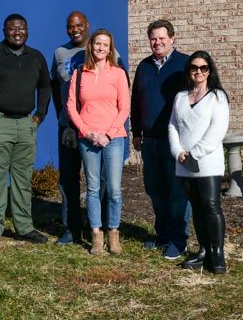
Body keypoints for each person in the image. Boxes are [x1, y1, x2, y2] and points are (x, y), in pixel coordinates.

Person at [49, 11, 125, 246]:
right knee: (69, 181)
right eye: (70, 26)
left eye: (79, 25)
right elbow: (56, 89)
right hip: (71, 128)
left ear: (88, 26)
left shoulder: (111, 57)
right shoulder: (60, 53)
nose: (75, 30)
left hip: (102, 130)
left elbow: (121, 95)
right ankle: (72, 229)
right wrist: (63, 118)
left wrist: (110, 130)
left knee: (103, 182)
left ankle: (102, 228)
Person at [0, 14, 52, 249]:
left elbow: (45, 86)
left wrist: (40, 115)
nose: (17, 33)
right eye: (12, 29)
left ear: (27, 30)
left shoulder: (36, 56)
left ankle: (24, 227)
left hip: (26, 125)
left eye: (21, 28)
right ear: (4, 31)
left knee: (23, 178)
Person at [65, 29, 130, 256]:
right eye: (97, 44)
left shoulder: (118, 74)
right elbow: (72, 107)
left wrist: (109, 135)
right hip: (88, 139)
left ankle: (113, 234)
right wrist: (86, 131)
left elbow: (125, 108)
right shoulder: (79, 73)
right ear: (91, 46)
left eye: (106, 45)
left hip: (113, 138)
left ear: (110, 49)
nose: (101, 48)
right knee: (92, 188)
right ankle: (96, 236)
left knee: (113, 189)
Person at [131, 19, 191, 260]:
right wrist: (136, 131)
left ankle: (179, 240)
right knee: (155, 191)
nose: (157, 42)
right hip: (150, 141)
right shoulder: (144, 66)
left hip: (174, 141)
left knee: (177, 193)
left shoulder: (184, 64)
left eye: (162, 38)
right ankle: (163, 235)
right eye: (153, 39)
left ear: (172, 39)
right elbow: (136, 100)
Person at [168, 51, 230, 274]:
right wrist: (178, 152)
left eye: (203, 68)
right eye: (194, 67)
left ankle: (218, 253)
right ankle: (203, 250)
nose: (198, 72)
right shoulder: (180, 97)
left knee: (211, 206)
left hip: (207, 163)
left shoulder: (218, 97)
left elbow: (217, 130)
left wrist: (195, 152)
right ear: (189, 70)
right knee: (196, 207)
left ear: (209, 71)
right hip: (184, 164)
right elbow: (173, 125)